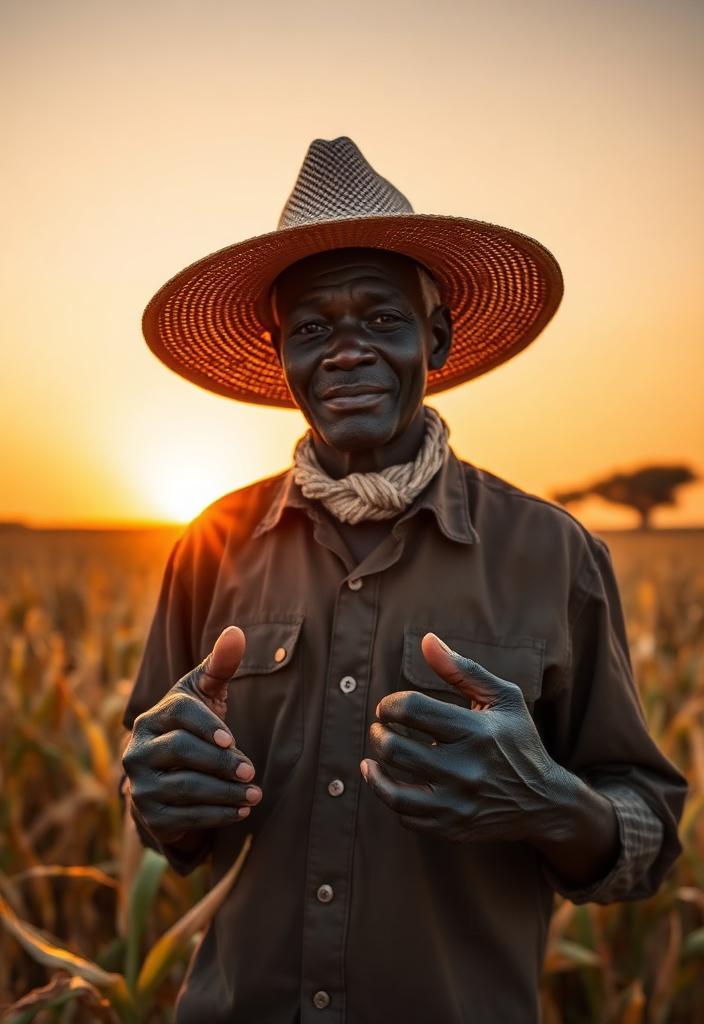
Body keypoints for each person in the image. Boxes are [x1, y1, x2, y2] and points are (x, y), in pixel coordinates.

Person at [121, 137, 686, 1024]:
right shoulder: (209, 546)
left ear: (438, 336)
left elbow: (644, 833)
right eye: (311, 329)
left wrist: (550, 802)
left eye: (381, 319)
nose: (346, 352)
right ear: (281, 358)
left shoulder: (553, 552)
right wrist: (159, 796)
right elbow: (160, 797)